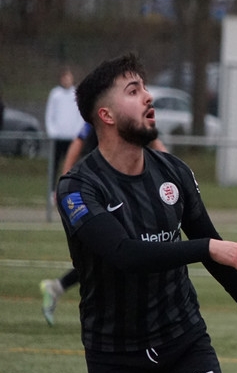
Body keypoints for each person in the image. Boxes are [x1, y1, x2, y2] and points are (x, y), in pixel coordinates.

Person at [55, 53, 237, 373]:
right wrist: (206, 247)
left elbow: (213, 245)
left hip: (182, 341)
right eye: (133, 91)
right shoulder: (78, 188)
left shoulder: (173, 172)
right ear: (106, 115)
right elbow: (124, 254)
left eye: (145, 86)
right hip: (114, 356)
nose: (148, 97)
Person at [41, 121, 167, 325]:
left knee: (113, 253)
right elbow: (77, 143)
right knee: (115, 251)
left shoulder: (137, 121)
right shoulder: (102, 118)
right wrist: (65, 180)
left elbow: (157, 145)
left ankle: (58, 287)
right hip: (99, 190)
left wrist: (172, 173)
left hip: (123, 189)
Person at [45, 65, 85, 191]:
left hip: (72, 138)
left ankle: (70, 189)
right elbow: (50, 114)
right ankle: (52, 190)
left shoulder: (76, 94)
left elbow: (80, 115)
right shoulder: (55, 94)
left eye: (68, 77)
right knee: (55, 164)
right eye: (64, 77)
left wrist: (77, 133)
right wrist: (52, 131)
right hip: (57, 137)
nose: (66, 80)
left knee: (71, 165)